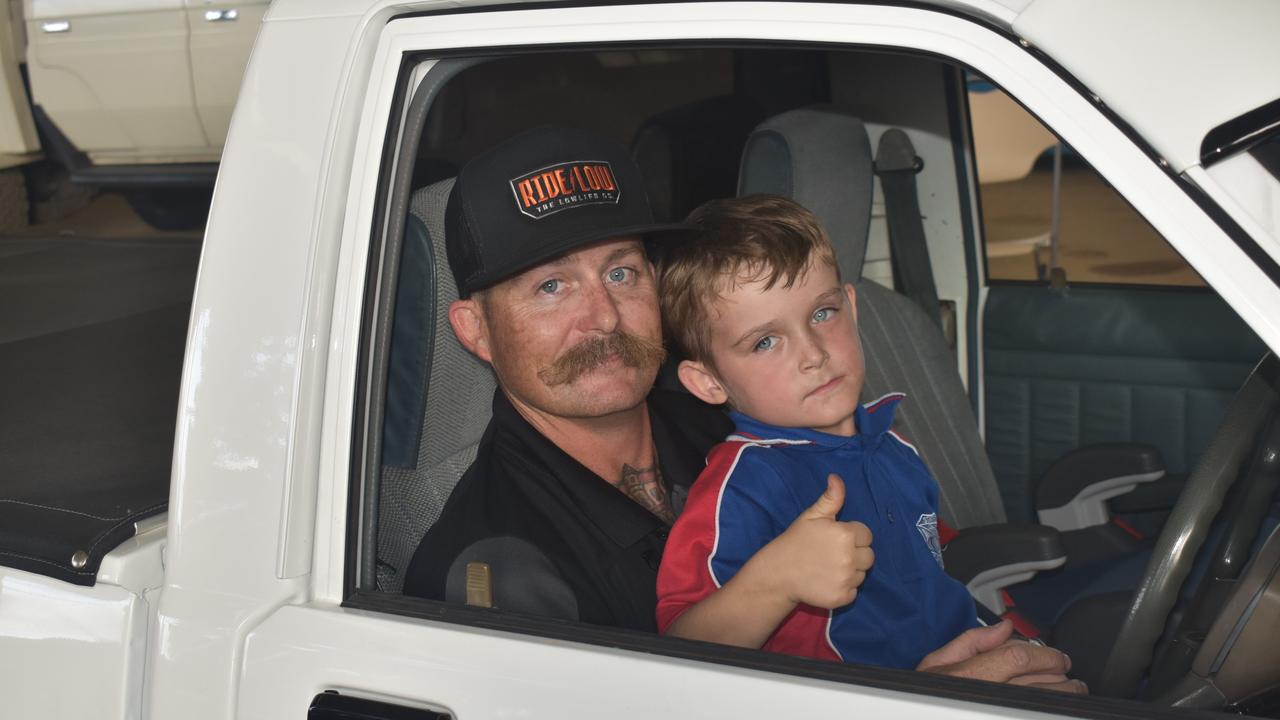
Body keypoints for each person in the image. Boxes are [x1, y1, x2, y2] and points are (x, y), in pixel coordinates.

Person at [403, 126, 1083, 692]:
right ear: (475, 331)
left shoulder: (742, 425)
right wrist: (918, 703)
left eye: (621, 271)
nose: (604, 317)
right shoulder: (489, 567)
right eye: (552, 286)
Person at [655, 194, 980, 670]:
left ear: (851, 305)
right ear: (709, 382)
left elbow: (937, 561)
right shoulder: (744, 485)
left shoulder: (892, 444)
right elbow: (678, 654)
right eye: (765, 342)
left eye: (822, 314)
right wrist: (777, 579)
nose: (812, 353)